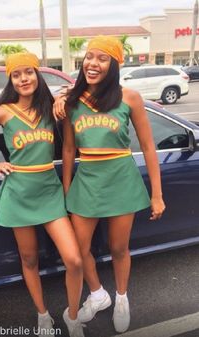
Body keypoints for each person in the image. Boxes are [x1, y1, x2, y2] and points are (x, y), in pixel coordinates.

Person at [53, 35, 166, 333]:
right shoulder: (72, 100)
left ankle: (121, 297)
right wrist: (67, 190)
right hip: (87, 180)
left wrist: (157, 195)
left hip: (121, 180)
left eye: (102, 58)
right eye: (90, 56)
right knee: (78, 251)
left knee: (119, 248)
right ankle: (98, 293)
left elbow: (149, 147)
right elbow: (67, 150)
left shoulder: (129, 97)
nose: (93, 63)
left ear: (114, 64)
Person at [0, 52, 85, 337]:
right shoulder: (2, 111)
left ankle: (72, 316)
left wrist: (61, 97)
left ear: (37, 74)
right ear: (10, 79)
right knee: (29, 259)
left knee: (74, 260)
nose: (24, 79)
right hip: (19, 192)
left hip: (49, 191)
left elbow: (76, 91)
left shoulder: (50, 107)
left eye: (29, 72)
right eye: (17, 74)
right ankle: (42, 315)